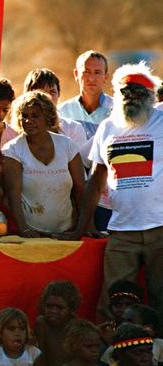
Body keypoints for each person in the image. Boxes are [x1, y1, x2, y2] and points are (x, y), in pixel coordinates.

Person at [65, 63, 163, 318]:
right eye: (125, 92)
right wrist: (81, 227)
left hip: (160, 229)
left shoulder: (162, 122)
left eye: (138, 93)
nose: (131, 97)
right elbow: (96, 180)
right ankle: (112, 353)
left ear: (151, 97)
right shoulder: (107, 128)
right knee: (113, 302)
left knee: (161, 299)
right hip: (120, 232)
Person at [2, 91, 85, 237]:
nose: (28, 121)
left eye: (35, 116)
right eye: (25, 116)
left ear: (48, 117)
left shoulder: (67, 145)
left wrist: (83, 228)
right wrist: (24, 230)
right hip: (30, 233)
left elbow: (80, 190)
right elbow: (13, 194)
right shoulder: (12, 149)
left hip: (67, 231)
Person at [58, 50, 114, 231]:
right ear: (76, 74)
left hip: (109, 194)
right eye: (86, 71)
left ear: (106, 77)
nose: (91, 78)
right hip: (72, 192)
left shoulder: (118, 111)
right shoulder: (62, 112)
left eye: (97, 73)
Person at [0, 68, 87, 150]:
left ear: (59, 95)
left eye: (52, 92)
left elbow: (80, 163)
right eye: (40, 93)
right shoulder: (11, 133)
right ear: (27, 96)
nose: (48, 98)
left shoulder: (73, 129)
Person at [34, 281, 82, 366]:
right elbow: (39, 357)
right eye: (49, 306)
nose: (53, 311)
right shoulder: (42, 324)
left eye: (60, 308)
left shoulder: (77, 328)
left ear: (71, 310)